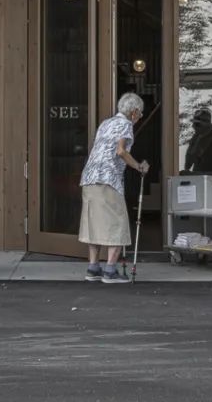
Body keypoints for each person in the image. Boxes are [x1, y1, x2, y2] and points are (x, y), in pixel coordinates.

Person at [78, 91, 149, 283]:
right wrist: (139, 167)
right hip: (108, 179)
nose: (140, 117)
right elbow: (120, 151)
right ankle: (110, 271)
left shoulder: (106, 123)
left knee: (94, 223)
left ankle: (93, 268)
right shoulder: (126, 124)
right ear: (134, 112)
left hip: (89, 177)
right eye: (140, 113)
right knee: (118, 223)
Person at [183, 106, 212, 175]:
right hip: (197, 176)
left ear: (206, 125)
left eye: (197, 124)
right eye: (194, 124)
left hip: (209, 178)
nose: (193, 126)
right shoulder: (196, 137)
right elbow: (188, 162)